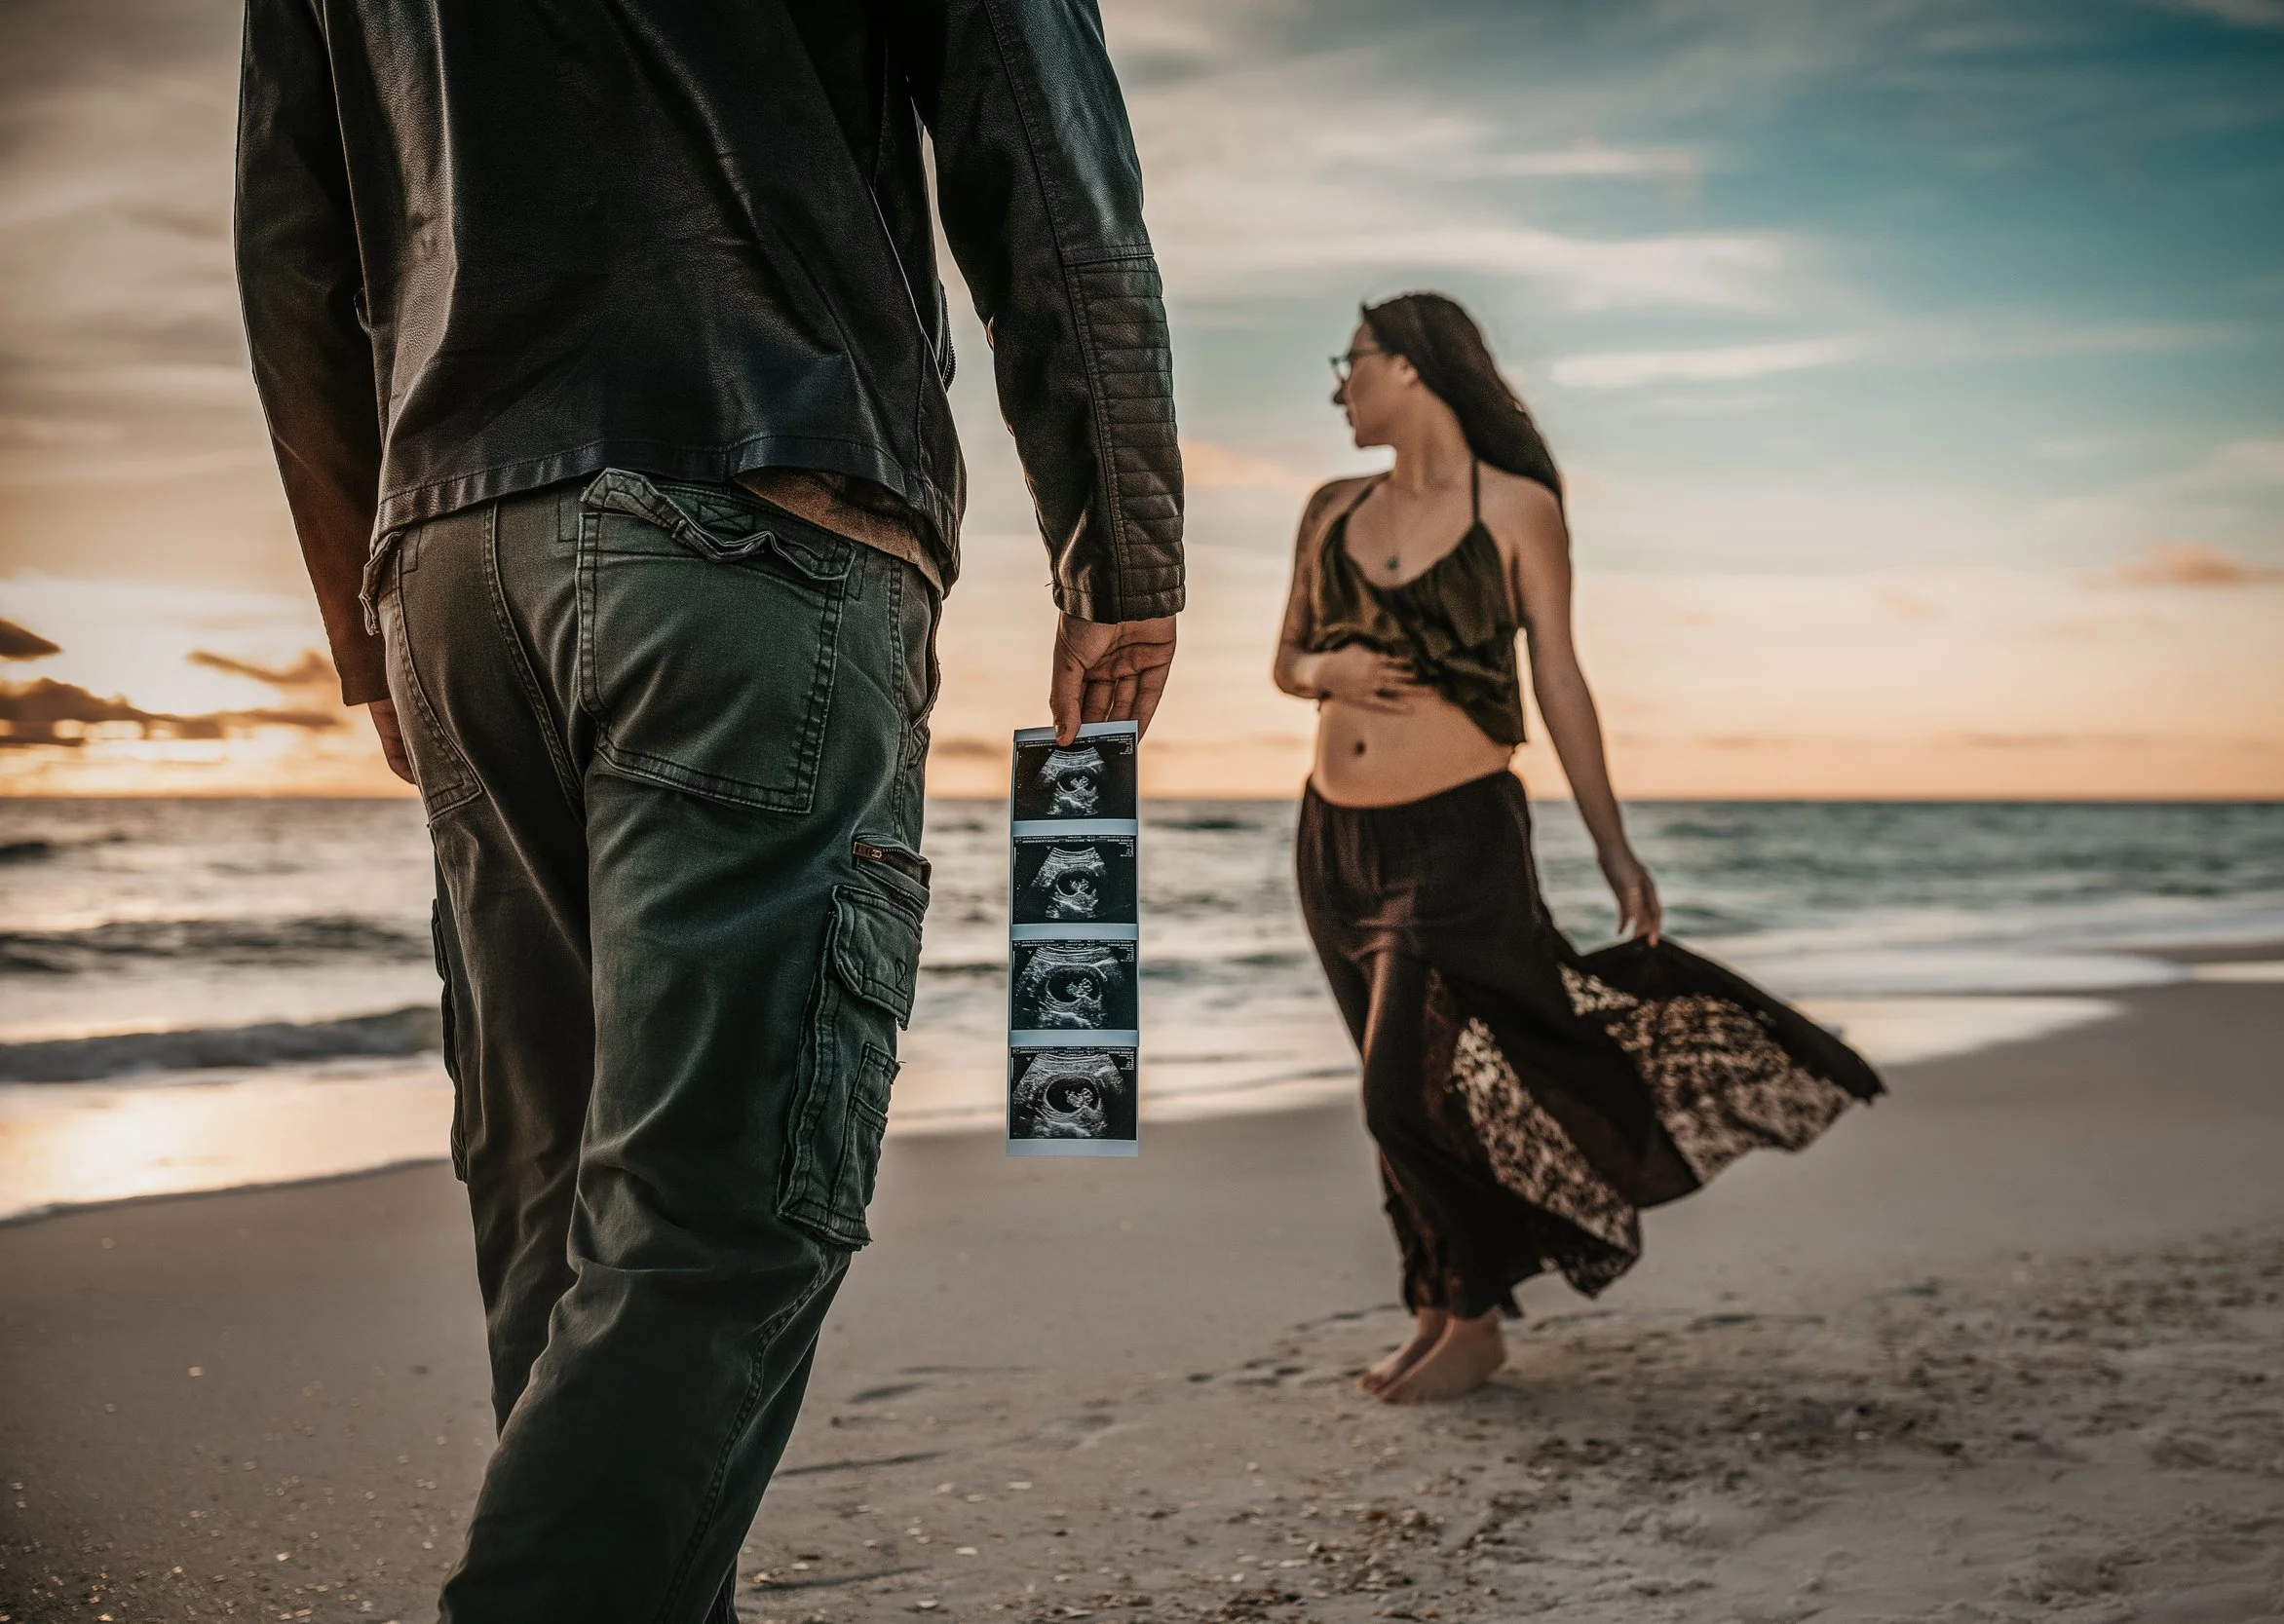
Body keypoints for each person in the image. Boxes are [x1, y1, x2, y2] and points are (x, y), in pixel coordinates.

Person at [234, 3, 1183, 1617]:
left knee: (557, 1206)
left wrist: (364, 616)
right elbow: (1039, 128)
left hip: (457, 551)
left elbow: (291, 227)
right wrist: (1122, 547)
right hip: (760, 498)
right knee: (719, 1217)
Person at [1274, 292, 1881, 1404]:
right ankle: (1436, 1304)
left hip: (1456, 837)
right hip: (1331, 842)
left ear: (1409, 365)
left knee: (1397, 1095)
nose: (1336, 385)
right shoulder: (1327, 507)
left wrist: (1614, 847)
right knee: (1401, 1088)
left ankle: (1475, 1320)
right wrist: (1333, 674)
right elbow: (1289, 660)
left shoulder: (1517, 509)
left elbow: (1558, 677)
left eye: (1349, 361)